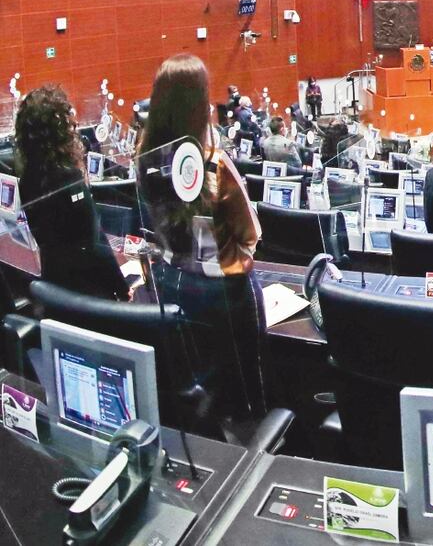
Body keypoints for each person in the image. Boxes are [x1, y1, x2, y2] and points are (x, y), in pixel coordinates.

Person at [136, 53, 266, 421]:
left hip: (171, 279)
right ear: (199, 105)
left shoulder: (144, 160)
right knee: (245, 390)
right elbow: (250, 233)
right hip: (224, 291)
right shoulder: (214, 165)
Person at [15, 85, 129, 301]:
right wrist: (122, 288)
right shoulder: (67, 178)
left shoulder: (28, 179)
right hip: (89, 292)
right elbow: (94, 243)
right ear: (58, 130)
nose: (74, 125)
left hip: (56, 288)